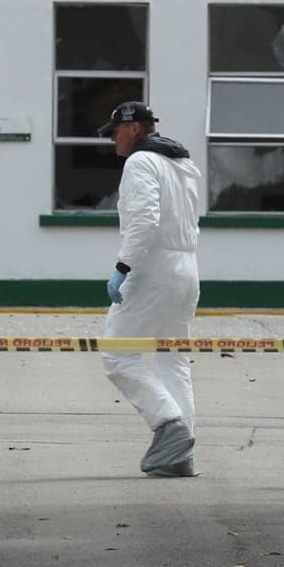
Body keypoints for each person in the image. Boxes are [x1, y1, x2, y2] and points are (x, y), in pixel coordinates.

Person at [97, 101, 201, 477]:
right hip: (187, 269)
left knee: (116, 355)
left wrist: (123, 267)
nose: (111, 139)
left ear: (134, 129)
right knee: (174, 360)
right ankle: (180, 456)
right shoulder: (182, 165)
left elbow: (144, 221)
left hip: (153, 268)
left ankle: (169, 426)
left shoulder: (141, 163)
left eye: (115, 131)